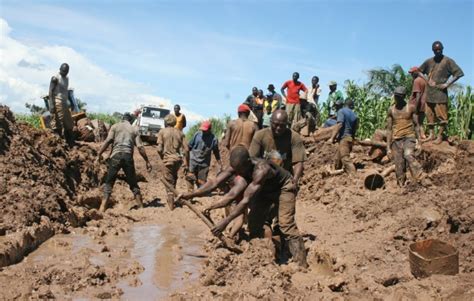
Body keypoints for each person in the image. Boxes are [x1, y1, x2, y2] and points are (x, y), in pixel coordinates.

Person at [179, 146, 308, 267]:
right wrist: (189, 195)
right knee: (254, 223)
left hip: (283, 188)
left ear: (248, 161)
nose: (238, 172)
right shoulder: (237, 166)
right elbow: (214, 183)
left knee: (286, 224)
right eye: (235, 169)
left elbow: (246, 201)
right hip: (264, 191)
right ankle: (260, 256)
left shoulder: (261, 169)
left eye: (240, 169)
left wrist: (225, 222)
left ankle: (301, 264)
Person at [96, 113, 152, 212]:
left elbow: (108, 141)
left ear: (122, 119)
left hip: (115, 156)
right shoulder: (134, 129)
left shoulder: (115, 126)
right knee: (133, 183)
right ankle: (141, 207)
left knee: (109, 182)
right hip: (127, 157)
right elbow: (140, 147)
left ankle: (102, 208)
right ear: (130, 120)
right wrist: (147, 161)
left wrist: (99, 154)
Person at [418, 41, 464, 144]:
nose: (438, 51)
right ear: (433, 50)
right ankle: (431, 135)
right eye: (436, 50)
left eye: (439, 49)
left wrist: (447, 84)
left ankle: (440, 136)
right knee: (429, 115)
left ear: (442, 49)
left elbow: (459, 73)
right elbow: (419, 71)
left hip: (440, 93)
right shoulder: (429, 61)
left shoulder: (448, 61)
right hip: (429, 93)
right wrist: (426, 79)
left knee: (442, 117)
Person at [249, 109, 306, 186]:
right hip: (263, 176)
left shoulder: (293, 137)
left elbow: (298, 162)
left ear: (287, 124)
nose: (278, 128)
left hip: (283, 179)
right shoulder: (260, 135)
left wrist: (295, 180)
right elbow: (252, 158)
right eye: (275, 124)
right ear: (270, 122)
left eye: (282, 125)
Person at [386, 87, 423, 186]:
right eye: (396, 96)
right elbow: (389, 130)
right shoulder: (391, 110)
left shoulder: (411, 107)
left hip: (409, 137)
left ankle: (420, 177)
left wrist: (419, 142)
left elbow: (416, 125)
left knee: (408, 155)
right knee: (399, 165)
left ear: (403, 97)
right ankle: (401, 186)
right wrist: (388, 148)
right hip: (396, 140)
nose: (397, 98)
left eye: (399, 97)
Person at [156, 114, 189, 210]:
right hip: (178, 160)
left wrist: (163, 157)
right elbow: (186, 149)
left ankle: (171, 205)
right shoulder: (180, 133)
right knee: (173, 178)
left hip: (167, 160)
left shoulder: (162, 132)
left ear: (165, 122)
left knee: (168, 181)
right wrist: (186, 162)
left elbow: (159, 149)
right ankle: (173, 198)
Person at [186, 120, 222, 191]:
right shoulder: (197, 135)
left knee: (201, 184)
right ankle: (190, 192)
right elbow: (189, 146)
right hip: (193, 161)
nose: (203, 132)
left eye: (205, 130)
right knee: (190, 177)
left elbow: (216, 152)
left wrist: (219, 162)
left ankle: (200, 188)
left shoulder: (214, 139)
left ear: (209, 130)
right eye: (202, 130)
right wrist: (186, 159)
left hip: (204, 164)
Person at [328, 99, 358, 175]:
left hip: (344, 138)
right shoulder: (354, 115)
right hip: (349, 138)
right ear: (351, 106)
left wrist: (332, 138)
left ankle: (354, 175)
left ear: (345, 104)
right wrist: (352, 140)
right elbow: (354, 129)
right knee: (338, 158)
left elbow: (339, 125)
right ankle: (336, 171)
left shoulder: (341, 111)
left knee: (345, 158)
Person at [48, 63, 75, 147]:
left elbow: (66, 91)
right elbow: (50, 92)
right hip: (57, 101)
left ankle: (69, 142)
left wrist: (71, 102)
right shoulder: (55, 78)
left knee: (69, 123)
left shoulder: (66, 79)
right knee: (57, 122)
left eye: (66, 71)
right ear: (60, 69)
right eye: (63, 71)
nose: (64, 72)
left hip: (65, 102)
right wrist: (51, 105)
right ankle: (57, 143)